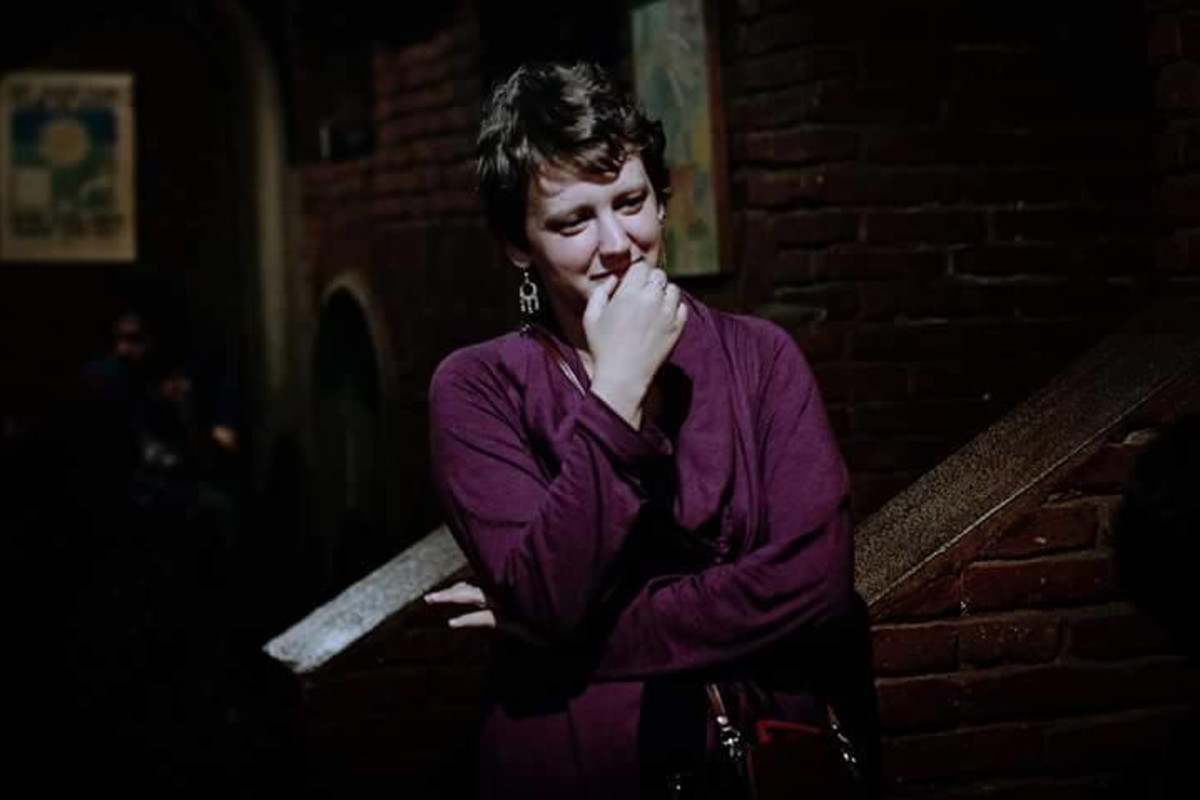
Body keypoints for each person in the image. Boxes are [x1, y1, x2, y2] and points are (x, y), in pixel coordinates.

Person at [425, 61, 876, 799]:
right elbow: (550, 598)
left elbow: (815, 587)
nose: (617, 243)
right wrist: (620, 390)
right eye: (573, 221)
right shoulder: (477, 387)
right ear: (517, 245)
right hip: (574, 767)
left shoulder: (761, 357)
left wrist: (571, 643)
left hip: (757, 762)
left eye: (630, 202)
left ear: (662, 202)